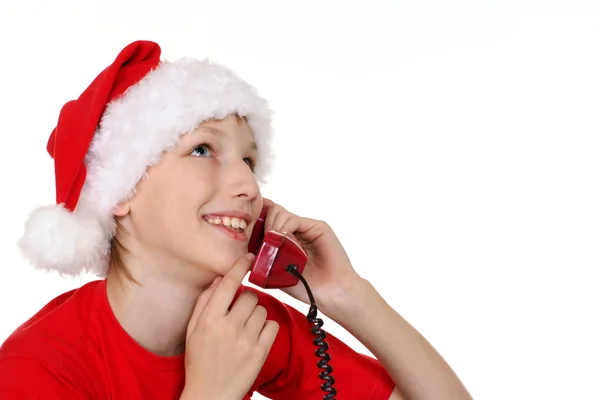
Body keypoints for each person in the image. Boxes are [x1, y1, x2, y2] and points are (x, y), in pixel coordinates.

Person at [0, 40, 471, 400]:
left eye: (249, 159)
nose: (248, 185)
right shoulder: (36, 368)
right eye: (202, 149)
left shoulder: (244, 325)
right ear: (121, 190)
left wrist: (349, 296)